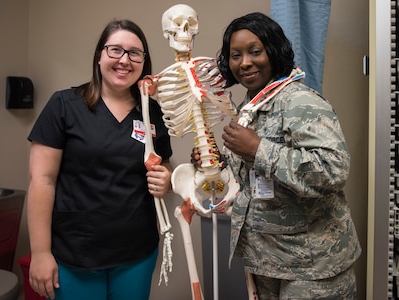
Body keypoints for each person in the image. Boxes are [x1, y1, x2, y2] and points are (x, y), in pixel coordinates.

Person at [192, 12, 361, 299]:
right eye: (235, 55)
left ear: (273, 51)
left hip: (313, 267)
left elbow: (333, 170)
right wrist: (217, 164)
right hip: (268, 261)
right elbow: (253, 177)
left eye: (254, 52)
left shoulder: (300, 101)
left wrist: (259, 149)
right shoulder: (251, 108)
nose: (244, 62)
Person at [27, 19, 172, 300]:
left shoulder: (151, 112)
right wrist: (40, 252)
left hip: (136, 253)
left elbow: (163, 163)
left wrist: (166, 177)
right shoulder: (64, 106)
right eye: (115, 50)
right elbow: (42, 180)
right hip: (75, 254)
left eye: (135, 53)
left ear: (144, 62)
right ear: (99, 56)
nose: (124, 60)